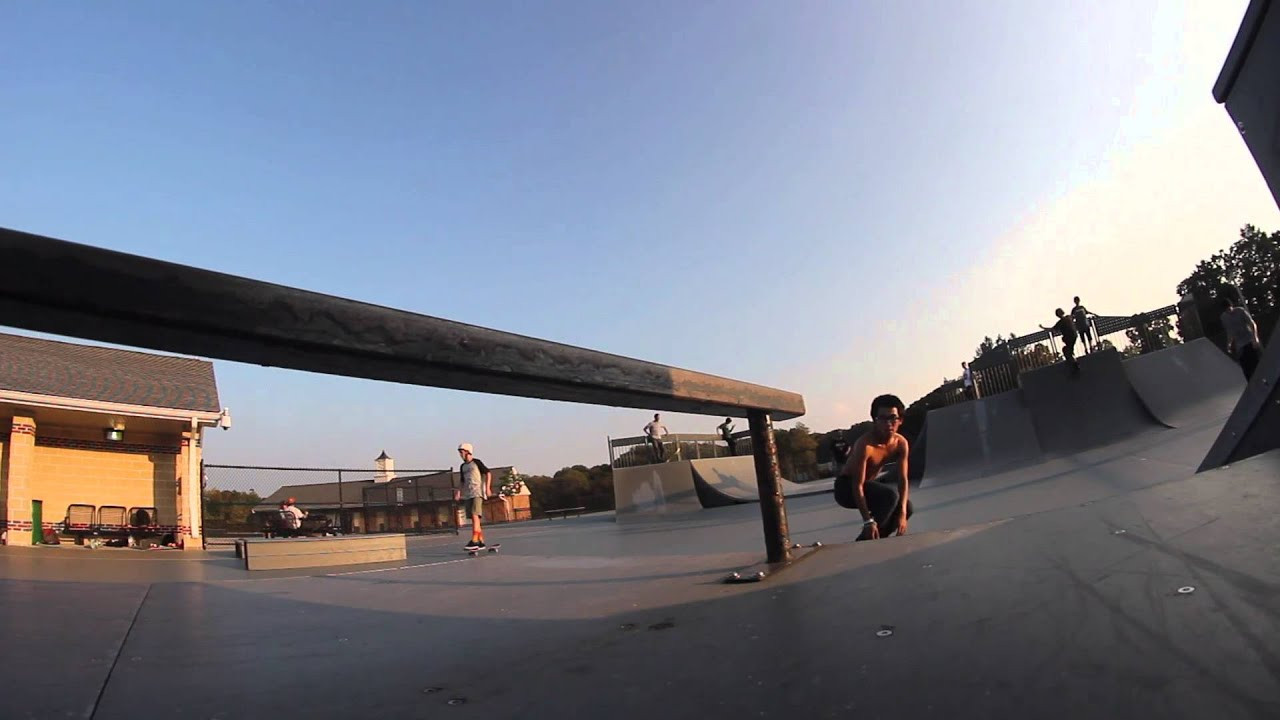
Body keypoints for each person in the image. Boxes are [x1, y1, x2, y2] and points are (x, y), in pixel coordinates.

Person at [833, 394, 914, 541]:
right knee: (889, 496)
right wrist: (868, 521)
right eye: (882, 418)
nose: (888, 423)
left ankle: (876, 539)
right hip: (846, 488)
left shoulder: (901, 443)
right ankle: (864, 542)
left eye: (892, 418)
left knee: (907, 507)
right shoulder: (865, 445)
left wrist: (902, 513)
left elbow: (903, 479)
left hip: (867, 486)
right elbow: (857, 485)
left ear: (900, 420)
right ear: (875, 421)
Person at [454, 443, 493, 550]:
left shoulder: (476, 462)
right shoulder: (463, 466)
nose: (460, 455)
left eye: (462, 452)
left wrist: (488, 488)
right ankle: (481, 542)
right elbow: (462, 481)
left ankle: (475, 539)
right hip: (468, 494)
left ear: (467, 452)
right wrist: (458, 492)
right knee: (473, 518)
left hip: (477, 492)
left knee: (475, 515)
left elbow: (488, 473)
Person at [1220, 296, 1263, 380]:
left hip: (1250, 340)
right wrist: (1229, 343)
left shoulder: (1240, 311)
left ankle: (1263, 379)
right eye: (1226, 311)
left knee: (1256, 363)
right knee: (1246, 368)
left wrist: (1255, 338)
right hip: (1240, 345)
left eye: (1229, 309)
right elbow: (1229, 331)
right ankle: (1252, 385)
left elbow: (1252, 324)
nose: (1229, 312)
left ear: (1232, 306)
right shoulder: (1224, 317)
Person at [1040, 308, 1080, 374]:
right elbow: (1074, 317)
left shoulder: (1060, 322)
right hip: (1074, 335)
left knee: (1066, 350)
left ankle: (1075, 365)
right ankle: (1073, 361)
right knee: (1069, 350)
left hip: (1068, 337)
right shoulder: (1068, 317)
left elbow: (1052, 329)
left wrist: (1043, 328)